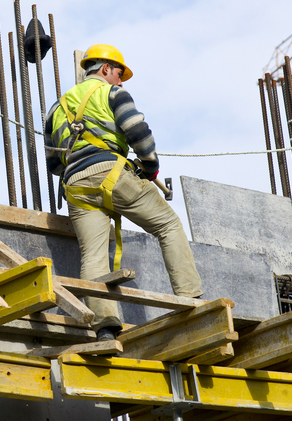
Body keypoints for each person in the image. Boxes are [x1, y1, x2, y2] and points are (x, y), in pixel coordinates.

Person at [44, 44, 203, 341]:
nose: (120, 81)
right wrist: (150, 167)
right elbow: (138, 132)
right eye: (119, 74)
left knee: (93, 255)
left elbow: (53, 163)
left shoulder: (56, 108)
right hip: (113, 175)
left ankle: (105, 328)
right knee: (168, 225)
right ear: (105, 69)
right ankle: (191, 299)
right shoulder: (112, 93)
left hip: (76, 186)